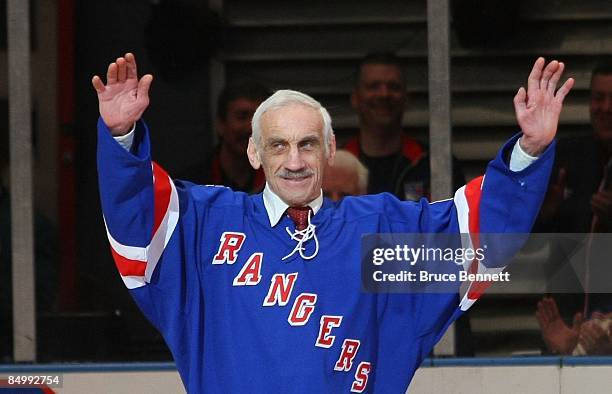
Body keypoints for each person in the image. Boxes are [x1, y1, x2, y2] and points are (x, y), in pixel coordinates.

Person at [92, 53, 572, 393]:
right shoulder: (205, 224)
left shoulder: (379, 235)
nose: (294, 160)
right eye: (278, 145)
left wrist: (529, 151)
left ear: (329, 149)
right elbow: (136, 220)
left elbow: (478, 235)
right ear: (254, 152)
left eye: (307, 144)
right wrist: (121, 136)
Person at [535, 62, 612, 355]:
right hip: (563, 328)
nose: (606, 107)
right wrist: (544, 213)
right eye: (598, 97)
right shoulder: (565, 156)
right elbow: (520, 245)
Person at [345, 52, 465, 200]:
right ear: (355, 98)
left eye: (393, 87)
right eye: (373, 86)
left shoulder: (434, 164)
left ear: (407, 98)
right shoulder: (335, 166)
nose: (384, 94)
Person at [179, 83, 270, 192]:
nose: (251, 128)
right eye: (242, 116)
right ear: (220, 124)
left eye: (259, 119)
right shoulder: (190, 185)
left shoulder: (278, 182)